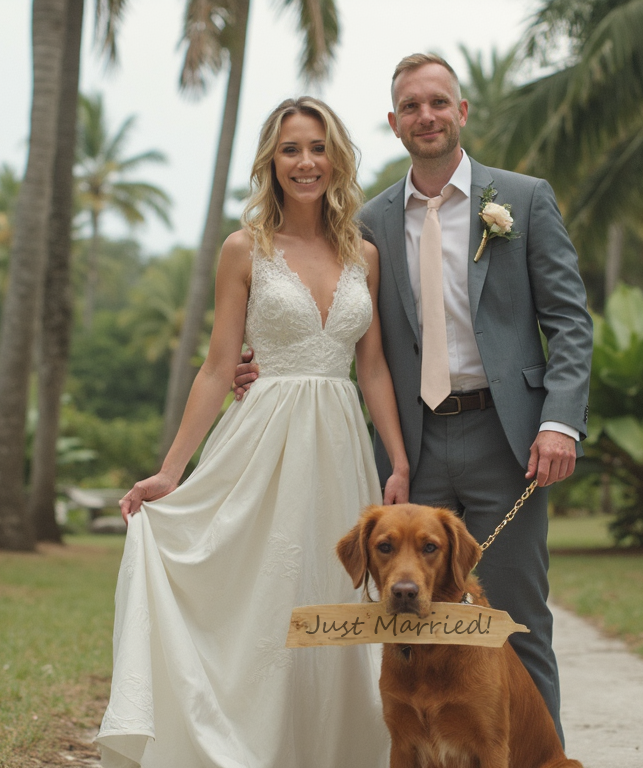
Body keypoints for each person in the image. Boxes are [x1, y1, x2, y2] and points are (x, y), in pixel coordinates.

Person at [234, 53, 594, 743]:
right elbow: (329, 311)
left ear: (460, 112)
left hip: (508, 439)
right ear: (394, 123)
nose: (426, 116)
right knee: (405, 624)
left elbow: (570, 322)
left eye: (438, 102)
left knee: (512, 619)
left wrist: (559, 422)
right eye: (411, 107)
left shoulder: (521, 199)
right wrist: (261, 360)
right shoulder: (366, 223)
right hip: (410, 446)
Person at [95, 96, 406, 768]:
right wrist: (170, 472)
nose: (305, 162)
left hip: (342, 445)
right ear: (271, 162)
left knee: (332, 601)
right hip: (262, 444)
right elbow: (215, 369)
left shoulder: (365, 256)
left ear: (336, 159)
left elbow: (373, 369)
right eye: (290, 149)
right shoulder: (245, 250)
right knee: (261, 603)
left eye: (317, 147)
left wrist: (399, 463)